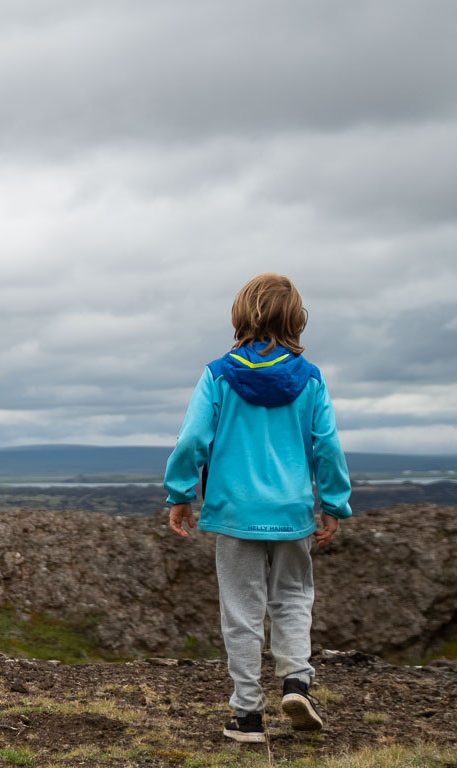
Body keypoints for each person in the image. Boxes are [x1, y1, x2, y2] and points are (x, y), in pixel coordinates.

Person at [164, 273, 352, 743]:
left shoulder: (218, 374)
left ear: (240, 314)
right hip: (291, 512)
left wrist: (181, 492)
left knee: (241, 610)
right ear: (296, 319)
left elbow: (192, 439)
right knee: (291, 598)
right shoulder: (309, 378)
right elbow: (326, 446)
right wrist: (333, 504)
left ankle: (247, 714)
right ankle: (296, 682)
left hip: (235, 511)